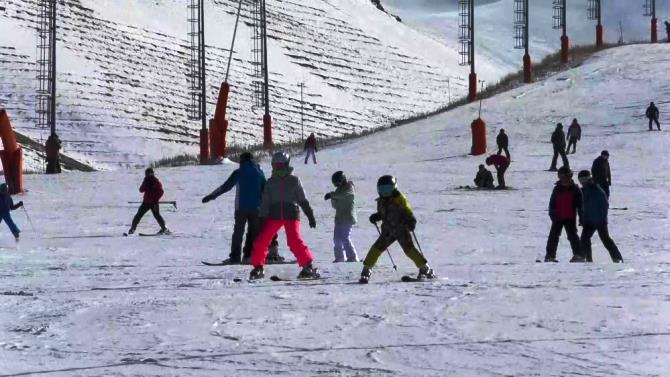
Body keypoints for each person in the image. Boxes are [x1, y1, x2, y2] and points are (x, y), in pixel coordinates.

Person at [249, 152, 319, 280]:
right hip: (274, 215)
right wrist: (262, 219)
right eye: (276, 166)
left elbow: (303, 200)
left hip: (291, 214)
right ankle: (258, 267)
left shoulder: (294, 180)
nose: (278, 168)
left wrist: (310, 215)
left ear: (287, 165)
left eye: (281, 166)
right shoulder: (271, 182)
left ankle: (307, 266)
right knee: (262, 240)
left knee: (293, 240)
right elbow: (265, 202)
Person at [361, 175, 435, 283]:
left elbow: (408, 211)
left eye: (388, 189)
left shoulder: (399, 200)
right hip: (388, 231)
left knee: (409, 250)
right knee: (376, 249)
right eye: (383, 189)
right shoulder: (381, 201)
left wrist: (411, 221)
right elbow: (384, 213)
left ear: (394, 188)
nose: (385, 192)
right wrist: (377, 216)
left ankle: (425, 269)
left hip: (401, 229)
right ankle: (366, 271)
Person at [202, 152, 266, 265]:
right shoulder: (259, 173)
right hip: (257, 208)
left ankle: (235, 257)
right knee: (253, 233)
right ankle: (249, 256)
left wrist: (212, 196)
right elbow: (265, 190)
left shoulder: (238, 172)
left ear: (242, 161)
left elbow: (225, 186)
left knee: (238, 233)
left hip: (241, 208)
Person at [577, 170, 623, 263]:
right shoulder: (583, 191)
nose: (582, 182)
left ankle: (617, 258)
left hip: (599, 220)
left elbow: (604, 205)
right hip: (589, 220)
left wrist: (602, 218)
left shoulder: (597, 190)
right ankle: (588, 258)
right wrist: (582, 218)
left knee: (605, 239)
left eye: (584, 180)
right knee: (584, 239)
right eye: (581, 180)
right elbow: (580, 206)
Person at [544, 166, 585, 263]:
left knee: (572, 236)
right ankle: (550, 256)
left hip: (570, 217)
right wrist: (552, 214)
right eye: (560, 176)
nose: (562, 179)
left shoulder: (575, 189)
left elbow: (580, 205)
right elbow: (552, 203)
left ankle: (579, 255)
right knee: (553, 237)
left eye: (564, 176)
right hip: (557, 217)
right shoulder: (557, 189)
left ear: (569, 176)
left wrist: (581, 218)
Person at [324, 171, 359, 263]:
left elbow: (343, 195)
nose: (337, 185)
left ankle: (352, 257)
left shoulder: (349, 187)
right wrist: (333, 199)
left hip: (348, 217)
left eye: (338, 182)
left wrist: (332, 195)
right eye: (335, 184)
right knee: (336, 239)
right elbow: (335, 206)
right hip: (339, 218)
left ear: (343, 180)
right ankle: (339, 258)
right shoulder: (338, 190)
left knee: (345, 237)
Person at [127, 168, 168, 235]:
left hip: (154, 203)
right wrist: (145, 185)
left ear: (152, 173)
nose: (148, 175)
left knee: (157, 216)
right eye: (147, 173)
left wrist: (156, 199)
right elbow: (141, 190)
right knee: (138, 215)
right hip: (146, 202)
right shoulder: (146, 180)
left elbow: (161, 192)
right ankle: (132, 229)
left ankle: (164, 229)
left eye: (149, 173)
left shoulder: (156, 181)